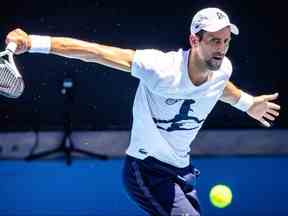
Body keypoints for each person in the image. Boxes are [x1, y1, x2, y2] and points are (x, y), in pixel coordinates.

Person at [6, 7, 280, 216]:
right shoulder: (160, 68)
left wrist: (247, 103)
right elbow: (95, 52)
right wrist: (32, 42)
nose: (221, 49)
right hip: (146, 169)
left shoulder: (223, 68)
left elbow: (221, 86)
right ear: (194, 41)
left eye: (225, 42)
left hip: (182, 171)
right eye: (214, 41)